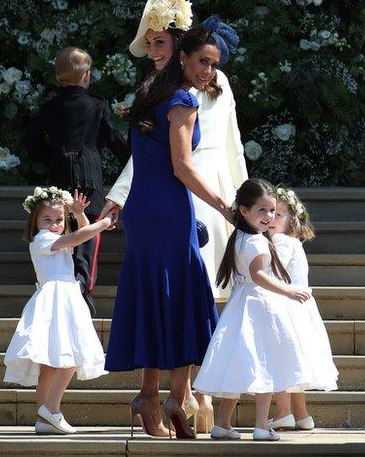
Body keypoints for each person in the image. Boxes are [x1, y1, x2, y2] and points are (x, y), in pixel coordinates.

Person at [105, 27, 231, 439]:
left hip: (145, 208)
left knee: (162, 298)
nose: (209, 71)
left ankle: (152, 396)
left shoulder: (150, 93)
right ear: (183, 58)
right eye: (203, 62)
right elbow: (182, 166)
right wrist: (225, 207)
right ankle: (174, 397)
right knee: (186, 298)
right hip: (167, 209)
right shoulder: (181, 99)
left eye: (214, 65)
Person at [194, 179, 336, 441]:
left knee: (237, 364)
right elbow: (258, 275)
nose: (269, 216)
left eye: (272, 211)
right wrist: (288, 290)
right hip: (261, 305)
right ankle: (261, 425)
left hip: (241, 306)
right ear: (244, 211)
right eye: (262, 210)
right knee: (266, 365)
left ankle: (223, 423)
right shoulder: (257, 241)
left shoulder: (240, 236)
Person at [23, 46, 129, 314]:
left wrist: (51, 156)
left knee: (60, 226)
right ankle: (83, 283)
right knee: (88, 231)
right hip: (89, 177)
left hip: (59, 176)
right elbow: (115, 142)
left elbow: (29, 140)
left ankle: (65, 281)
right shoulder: (96, 105)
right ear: (86, 76)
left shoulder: (51, 107)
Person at [4, 188, 113, 435]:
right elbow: (77, 238)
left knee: (52, 365)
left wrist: (79, 214)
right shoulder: (43, 239)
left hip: (63, 296)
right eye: (48, 219)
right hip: (57, 298)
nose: (54, 225)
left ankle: (44, 418)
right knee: (70, 355)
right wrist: (103, 223)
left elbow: (82, 236)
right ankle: (51, 409)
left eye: (59, 220)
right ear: (36, 221)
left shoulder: (56, 239)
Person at [266, 186, 339, 432]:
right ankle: (302, 414)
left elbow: (272, 273)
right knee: (294, 364)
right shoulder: (293, 242)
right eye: (271, 212)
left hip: (286, 307)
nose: (272, 218)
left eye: (279, 214)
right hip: (300, 309)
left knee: (282, 361)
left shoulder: (280, 242)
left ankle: (284, 412)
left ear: (291, 220)